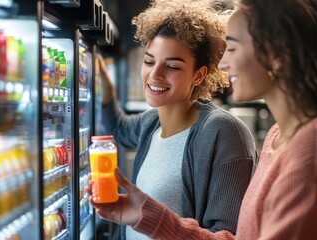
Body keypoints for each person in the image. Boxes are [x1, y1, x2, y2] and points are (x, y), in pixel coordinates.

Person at [88, 0, 317, 239]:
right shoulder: (281, 137)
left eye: (232, 46)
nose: (223, 61)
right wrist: (144, 213)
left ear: (274, 54)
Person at [97, 0, 257, 239]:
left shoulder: (224, 133)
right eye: (149, 61)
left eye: (171, 66)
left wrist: (148, 216)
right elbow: (117, 128)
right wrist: (105, 86)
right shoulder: (150, 123)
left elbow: (228, 234)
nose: (155, 75)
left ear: (198, 75)